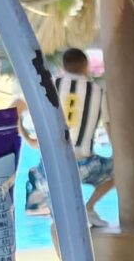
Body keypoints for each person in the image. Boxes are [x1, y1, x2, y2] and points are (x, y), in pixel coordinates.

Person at [17, 46, 114, 227]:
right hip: (86, 164)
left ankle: (62, 245)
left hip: (52, 166)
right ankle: (90, 207)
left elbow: (16, 107)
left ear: (63, 65)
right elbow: (109, 127)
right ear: (86, 66)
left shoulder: (50, 85)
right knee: (119, 171)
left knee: (57, 221)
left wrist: (27, 137)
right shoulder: (98, 91)